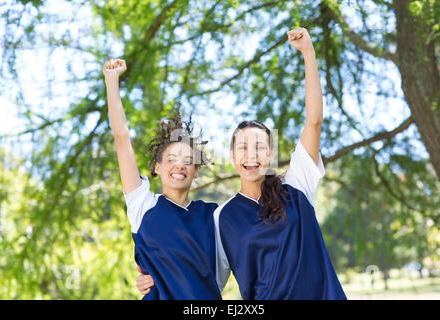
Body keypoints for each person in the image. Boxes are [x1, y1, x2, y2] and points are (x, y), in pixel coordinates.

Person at [136, 27, 346, 300]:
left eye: (259, 147)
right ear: (233, 156)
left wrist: (308, 52)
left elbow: (314, 121)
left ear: (269, 154)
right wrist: (152, 278)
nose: (251, 155)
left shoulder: (296, 185)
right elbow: (194, 271)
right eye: (243, 147)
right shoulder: (221, 218)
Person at [103, 58, 221, 300]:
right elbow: (122, 138)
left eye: (188, 160)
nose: (179, 165)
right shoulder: (142, 205)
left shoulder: (213, 216)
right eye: (172, 158)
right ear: (157, 167)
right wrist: (112, 80)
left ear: (196, 170)